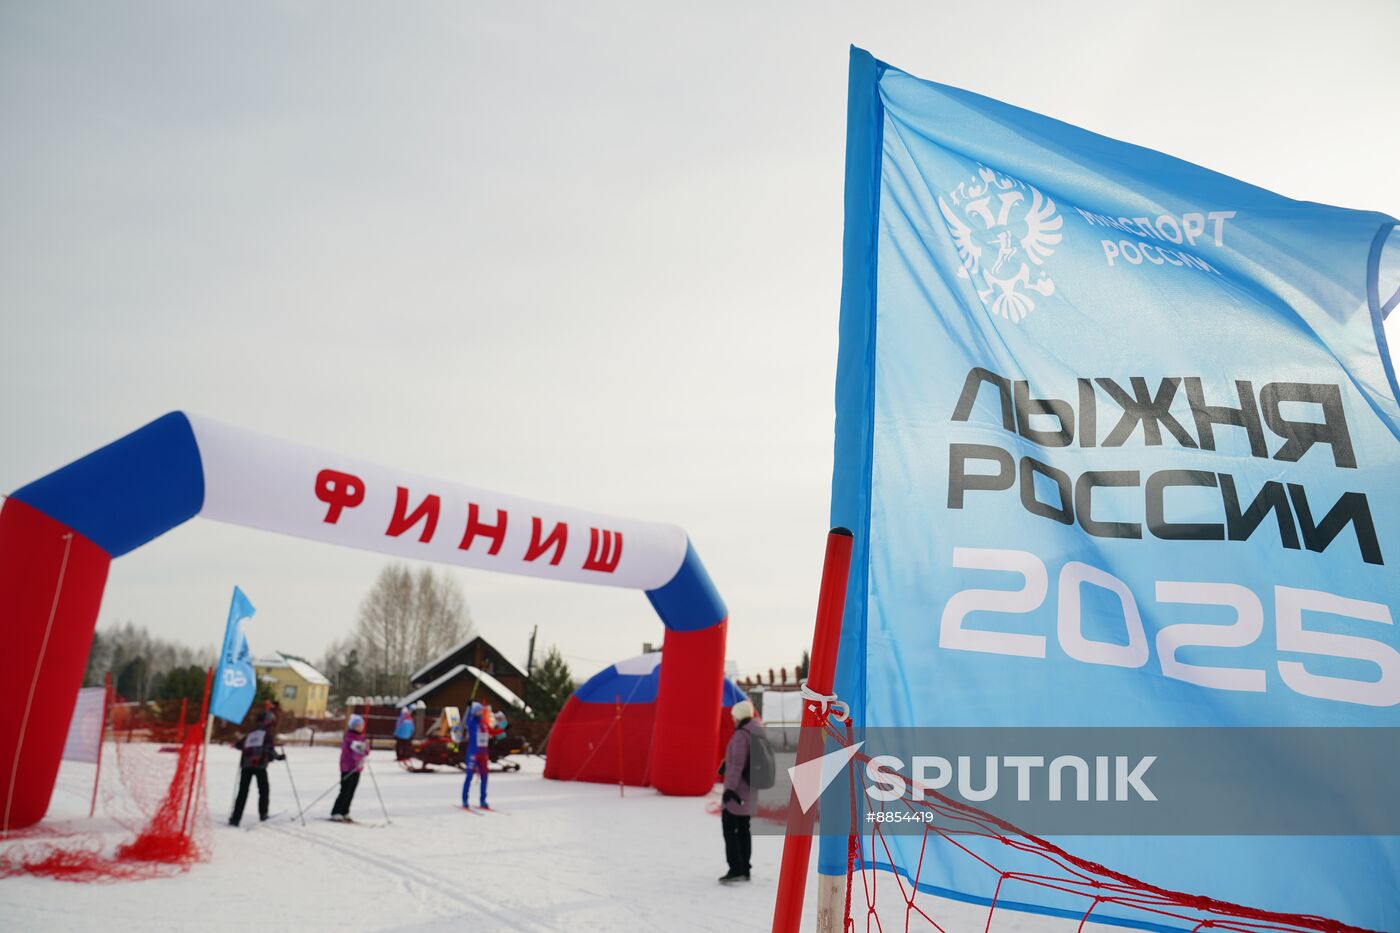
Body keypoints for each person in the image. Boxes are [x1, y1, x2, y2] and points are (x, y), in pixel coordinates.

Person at [718, 699, 767, 884]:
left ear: (738, 716)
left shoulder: (741, 734)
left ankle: (736, 869)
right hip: (750, 790)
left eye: (733, 716)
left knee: (730, 830)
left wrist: (729, 789)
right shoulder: (757, 731)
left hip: (737, 792)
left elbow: (737, 764)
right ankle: (745, 869)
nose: (732, 719)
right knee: (744, 829)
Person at [229, 711, 284, 826]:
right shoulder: (266, 734)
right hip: (259, 766)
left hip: (246, 765)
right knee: (264, 790)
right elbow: (269, 749)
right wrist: (278, 757)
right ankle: (263, 814)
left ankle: (236, 818)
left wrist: (237, 744)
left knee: (242, 792)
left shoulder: (251, 732)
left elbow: (240, 745)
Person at [331, 713, 370, 822]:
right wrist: (357, 757)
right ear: (353, 726)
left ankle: (345, 811)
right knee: (345, 790)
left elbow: (366, 750)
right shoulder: (349, 737)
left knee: (352, 790)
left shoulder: (362, 738)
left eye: (361, 725)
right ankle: (336, 811)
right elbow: (349, 752)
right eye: (358, 725)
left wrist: (364, 752)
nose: (361, 727)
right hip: (348, 768)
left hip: (358, 769)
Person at [460, 701, 495, 809]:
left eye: (481, 710)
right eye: (479, 710)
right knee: (469, 777)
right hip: (473, 753)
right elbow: (466, 720)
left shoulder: (483, 723)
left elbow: (489, 733)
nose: (481, 712)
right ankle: (465, 800)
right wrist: (470, 707)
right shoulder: (471, 722)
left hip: (483, 754)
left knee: (485, 777)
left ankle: (483, 800)